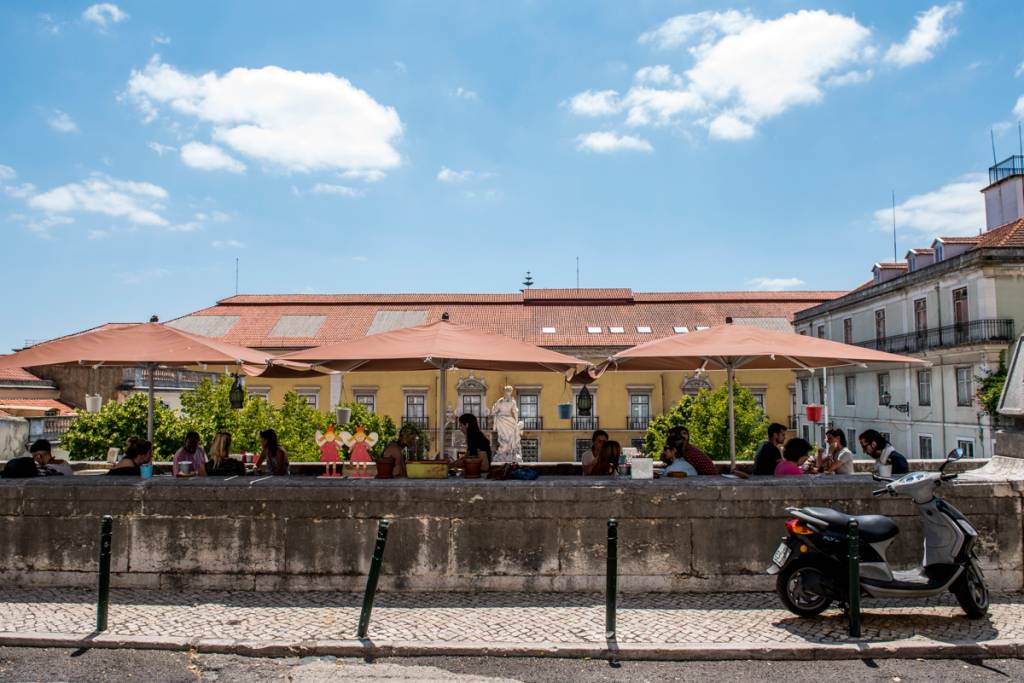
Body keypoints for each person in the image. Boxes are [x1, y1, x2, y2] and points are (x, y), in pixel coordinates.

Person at [1, 439, 71, 478]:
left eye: (34, 457)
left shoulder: (47, 469)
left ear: (38, 456)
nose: (35, 460)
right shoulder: (64, 463)